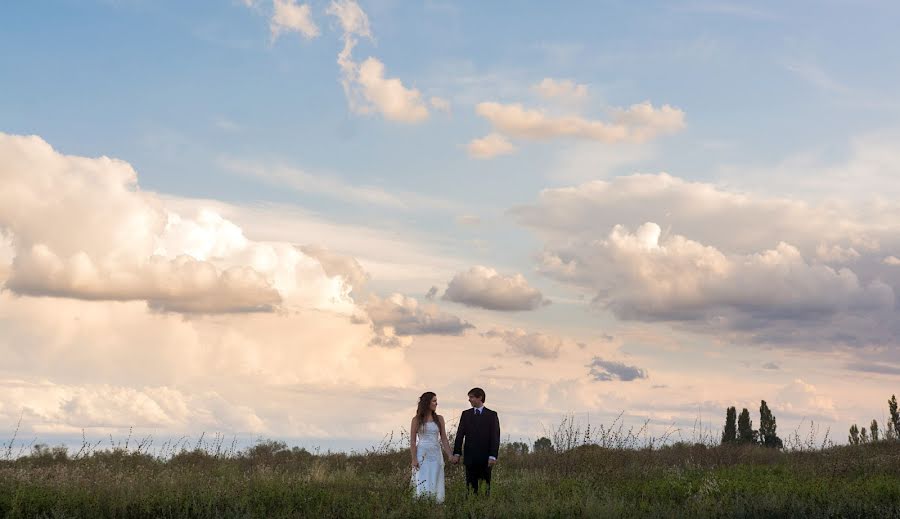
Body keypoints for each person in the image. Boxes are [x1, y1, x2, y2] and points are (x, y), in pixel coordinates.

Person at [451, 387, 500, 495]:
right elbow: (460, 435)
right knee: (470, 489)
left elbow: (495, 437)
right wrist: (457, 453)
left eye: (471, 397)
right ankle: (471, 510)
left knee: (485, 488)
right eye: (469, 397)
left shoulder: (492, 415)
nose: (469, 400)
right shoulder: (466, 414)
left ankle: (485, 509)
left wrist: (493, 456)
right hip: (470, 459)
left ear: (480, 397)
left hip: (486, 459)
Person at [410, 391, 453, 502]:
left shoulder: (439, 418)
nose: (436, 403)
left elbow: (444, 438)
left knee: (435, 477)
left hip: (436, 453)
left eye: (436, 401)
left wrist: (449, 454)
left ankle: (436, 503)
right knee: (422, 478)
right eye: (434, 401)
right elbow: (413, 441)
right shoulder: (416, 420)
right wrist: (414, 459)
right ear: (427, 402)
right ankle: (422, 503)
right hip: (422, 453)